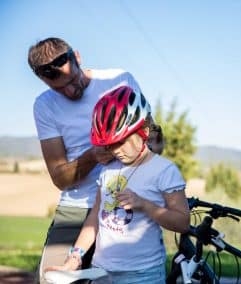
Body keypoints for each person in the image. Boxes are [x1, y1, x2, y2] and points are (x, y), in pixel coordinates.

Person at [28, 37, 163, 283]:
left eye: (72, 80)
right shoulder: (44, 106)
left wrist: (134, 150)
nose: (70, 91)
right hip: (76, 207)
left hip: (123, 203)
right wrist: (92, 157)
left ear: (77, 58)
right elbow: (59, 178)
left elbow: (156, 141)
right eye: (58, 88)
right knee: (51, 280)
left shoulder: (119, 79)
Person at [45, 85, 190, 283]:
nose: (114, 151)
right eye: (108, 144)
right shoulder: (109, 168)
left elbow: (182, 223)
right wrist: (75, 256)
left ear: (144, 131)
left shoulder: (164, 170)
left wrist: (144, 205)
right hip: (101, 271)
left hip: (142, 274)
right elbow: (95, 217)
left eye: (120, 142)